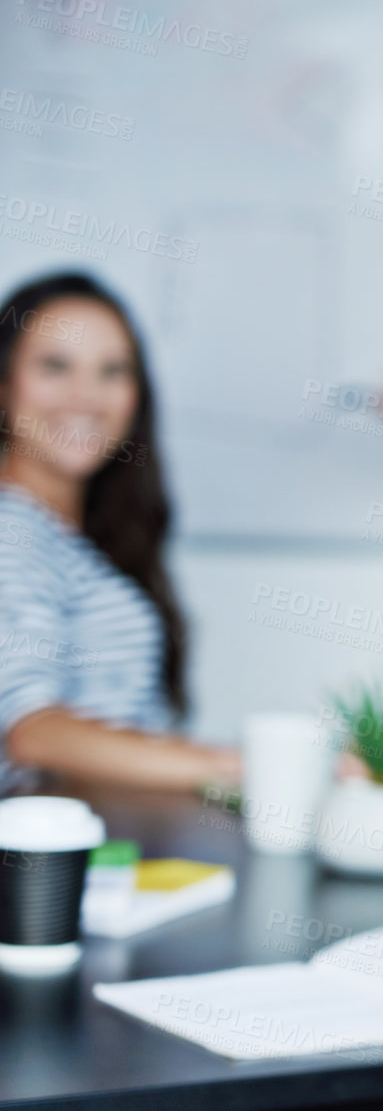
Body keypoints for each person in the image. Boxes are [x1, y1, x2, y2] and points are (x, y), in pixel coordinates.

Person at [0, 272, 240, 794]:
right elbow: (31, 731)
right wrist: (243, 768)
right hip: (51, 864)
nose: (86, 396)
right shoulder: (10, 530)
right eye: (54, 366)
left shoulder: (79, 536)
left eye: (113, 371)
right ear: (4, 384)